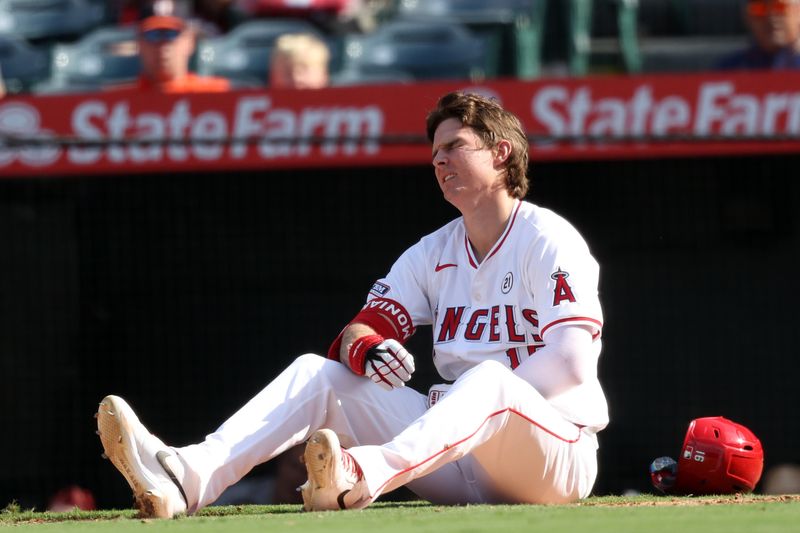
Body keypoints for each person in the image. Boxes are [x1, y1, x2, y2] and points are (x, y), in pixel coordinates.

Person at [96, 91, 608, 518]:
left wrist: (456, 401)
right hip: (454, 457)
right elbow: (357, 332)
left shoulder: (547, 238)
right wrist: (369, 351)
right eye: (435, 154)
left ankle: (358, 475)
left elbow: (570, 363)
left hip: (552, 456)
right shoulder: (433, 252)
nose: (439, 162)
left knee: (488, 380)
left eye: (454, 146)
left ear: (500, 153)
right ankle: (184, 478)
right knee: (315, 374)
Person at [110, 8, 230, 93]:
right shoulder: (118, 102)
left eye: (171, 34)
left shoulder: (216, 93)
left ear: (190, 42)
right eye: (152, 35)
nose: (162, 44)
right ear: (139, 45)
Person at [717, 0, 800, 70]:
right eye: (759, 9)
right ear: (747, 16)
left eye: (779, 7)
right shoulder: (730, 69)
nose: (770, 16)